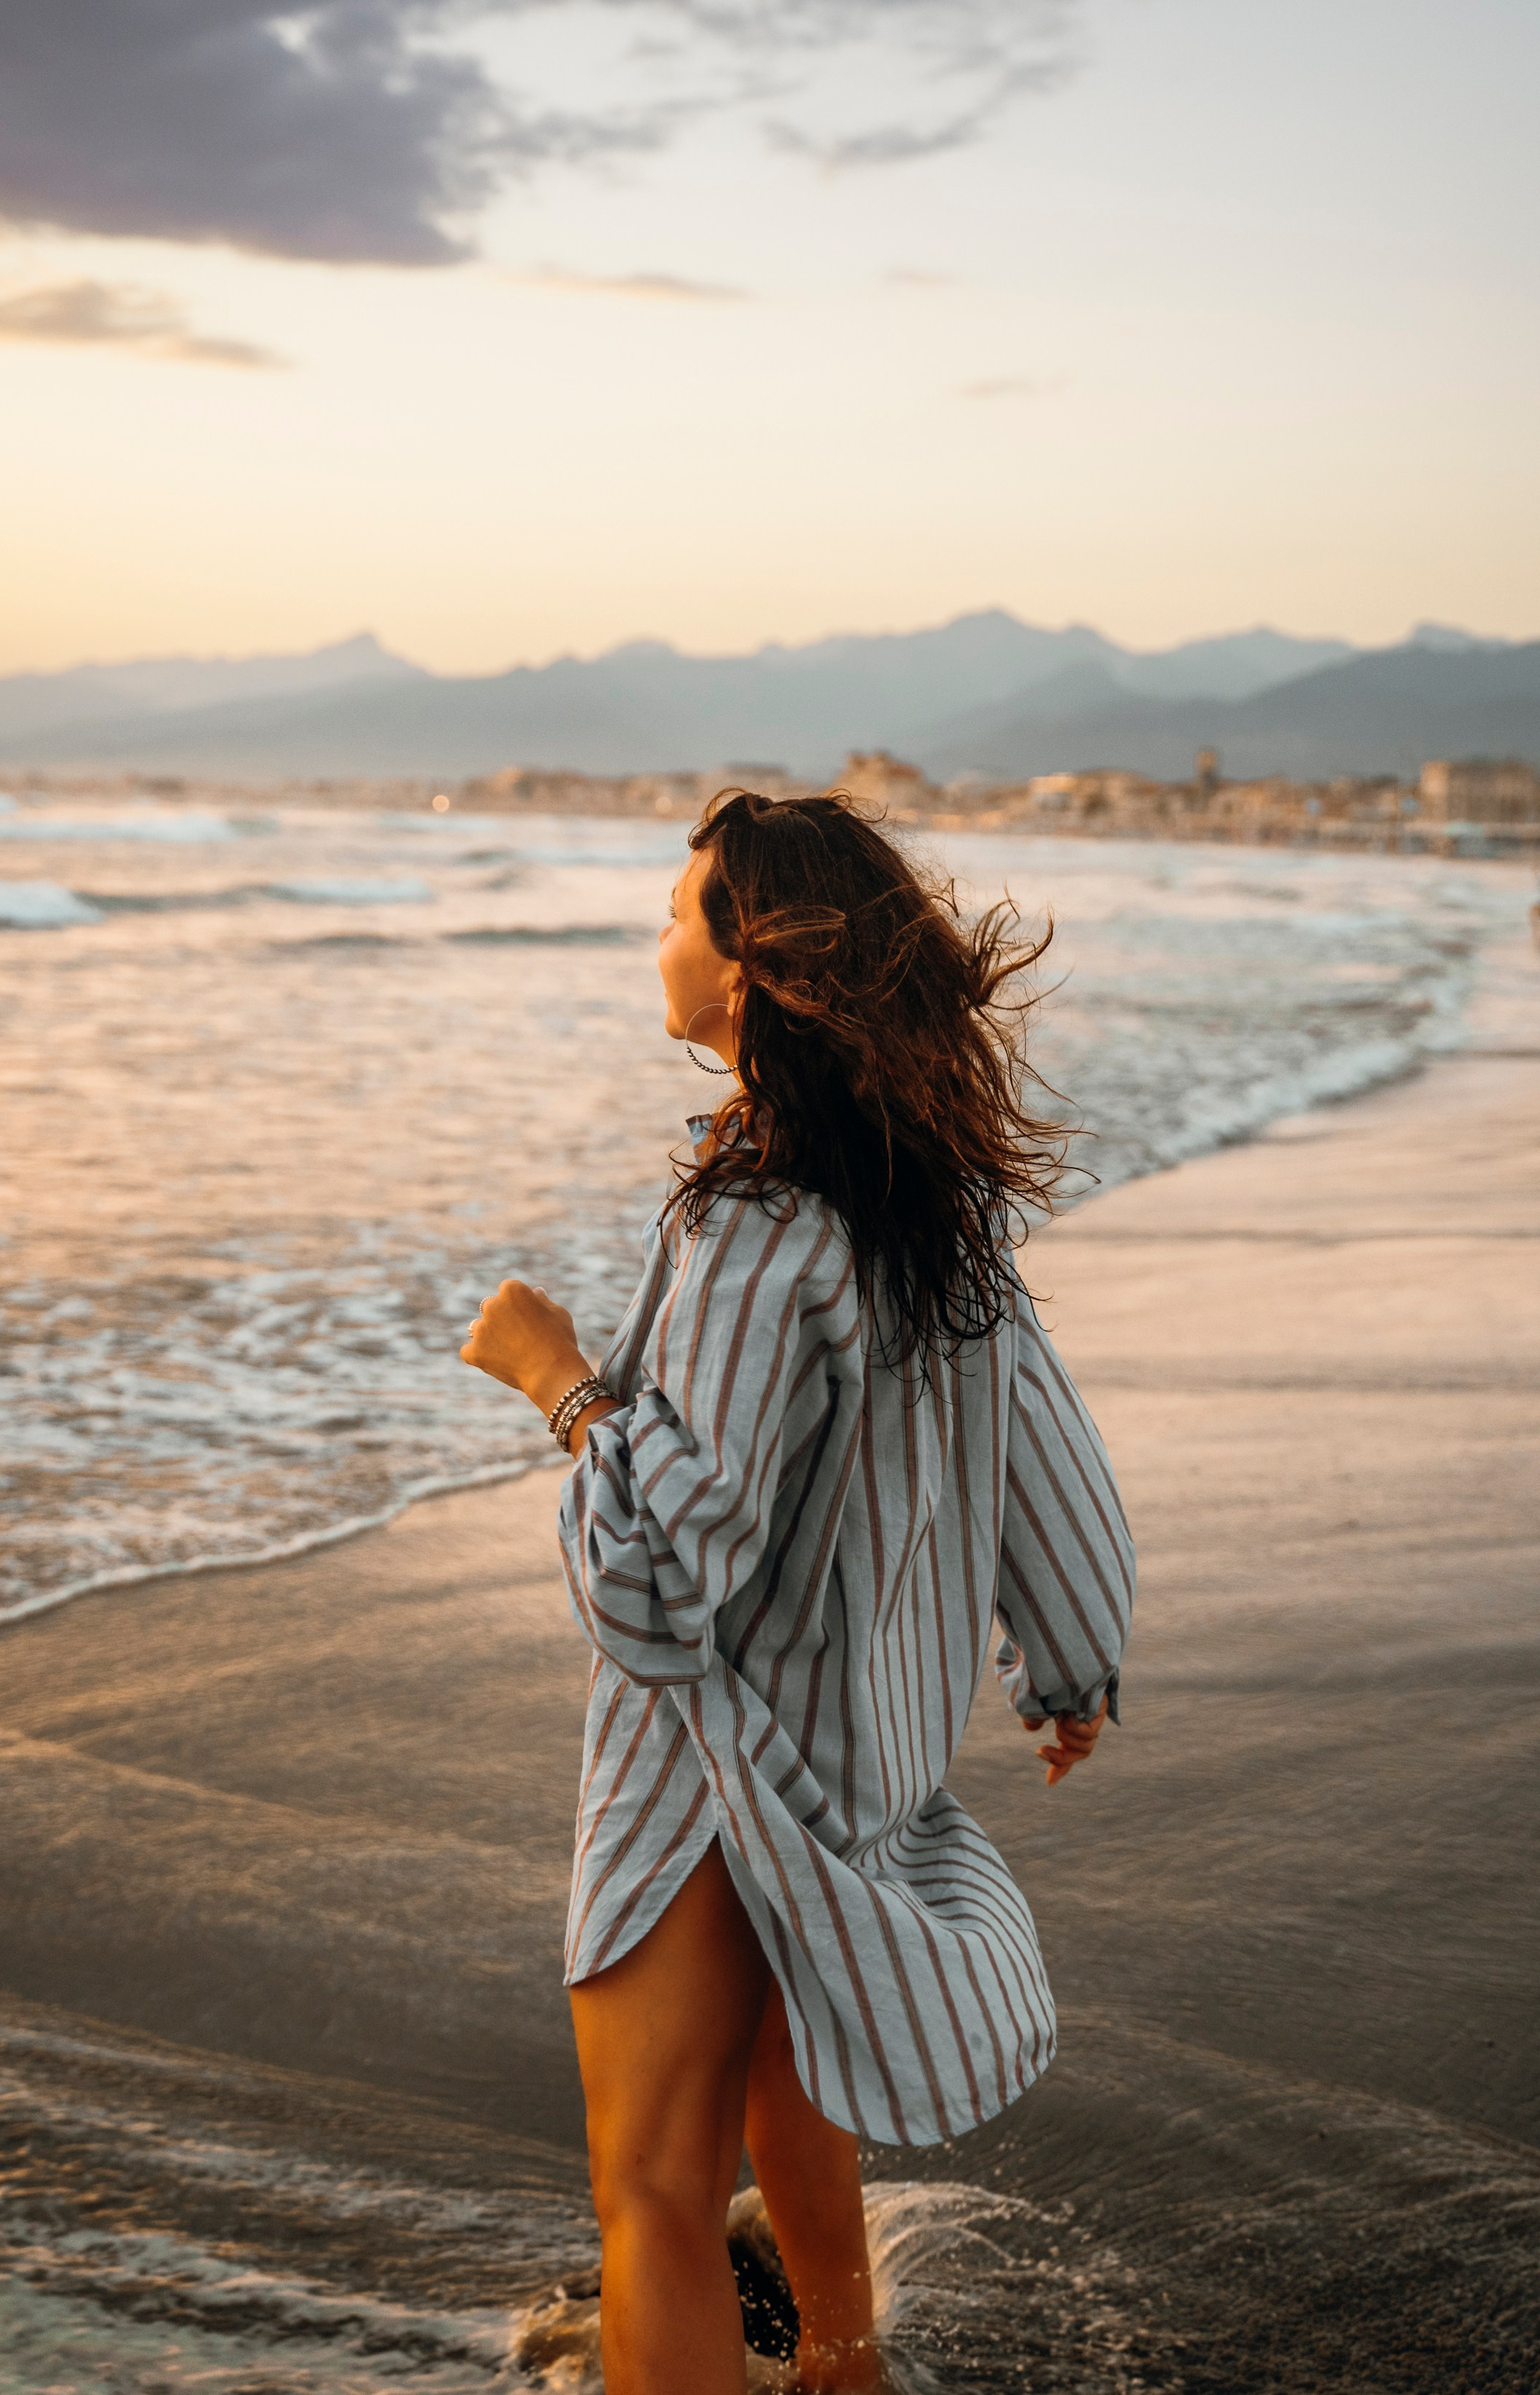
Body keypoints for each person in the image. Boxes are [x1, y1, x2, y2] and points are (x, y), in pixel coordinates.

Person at [461, 791, 1134, 2395]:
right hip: (859, 1759)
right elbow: (1040, 1445)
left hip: (716, 1767)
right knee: (786, 2069)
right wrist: (1071, 1664)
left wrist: (553, 1379)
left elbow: (661, 1575)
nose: (659, 941)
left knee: (652, 2188)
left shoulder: (754, 1228)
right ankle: (840, 2368)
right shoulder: (933, 1207)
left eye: (678, 914)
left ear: (750, 968)